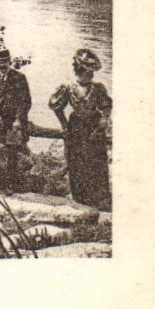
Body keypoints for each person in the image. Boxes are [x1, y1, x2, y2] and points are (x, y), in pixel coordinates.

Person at [50, 49, 112, 210]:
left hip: (94, 127)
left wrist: (105, 118)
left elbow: (106, 105)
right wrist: (64, 124)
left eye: (90, 74)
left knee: (97, 161)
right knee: (77, 161)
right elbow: (56, 106)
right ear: (79, 71)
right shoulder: (68, 88)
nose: (89, 76)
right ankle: (80, 198)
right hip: (76, 127)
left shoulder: (98, 88)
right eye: (86, 73)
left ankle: (100, 199)